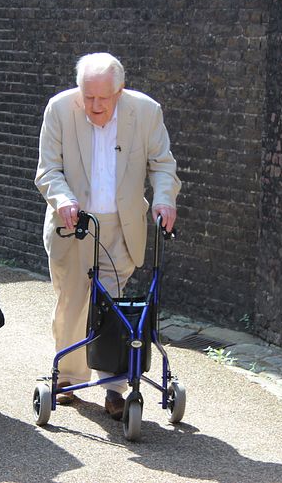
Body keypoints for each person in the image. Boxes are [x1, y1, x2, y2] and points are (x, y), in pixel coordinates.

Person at [35, 52, 181, 419]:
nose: (94, 105)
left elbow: (163, 164)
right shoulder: (59, 109)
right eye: (88, 96)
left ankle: (114, 388)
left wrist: (164, 201)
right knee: (73, 300)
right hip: (74, 223)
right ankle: (67, 377)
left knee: (113, 306)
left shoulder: (145, 112)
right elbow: (47, 170)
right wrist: (64, 199)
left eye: (103, 98)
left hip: (121, 225)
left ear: (120, 91)